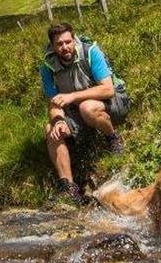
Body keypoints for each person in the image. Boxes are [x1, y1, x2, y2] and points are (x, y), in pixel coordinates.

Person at [40, 21, 130, 204]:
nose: (65, 47)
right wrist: (58, 120)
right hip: (78, 111)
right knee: (50, 129)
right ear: (53, 46)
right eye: (59, 44)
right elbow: (54, 103)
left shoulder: (91, 52)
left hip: (113, 103)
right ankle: (69, 188)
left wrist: (72, 96)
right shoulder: (48, 66)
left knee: (86, 107)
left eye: (68, 42)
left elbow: (108, 90)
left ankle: (113, 139)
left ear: (74, 40)